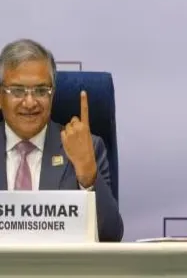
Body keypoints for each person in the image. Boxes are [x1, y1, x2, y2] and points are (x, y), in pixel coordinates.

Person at [0, 39, 123, 242]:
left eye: (41, 91)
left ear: (53, 95)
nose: (29, 102)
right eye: (18, 91)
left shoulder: (87, 147)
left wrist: (88, 177)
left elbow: (110, 236)